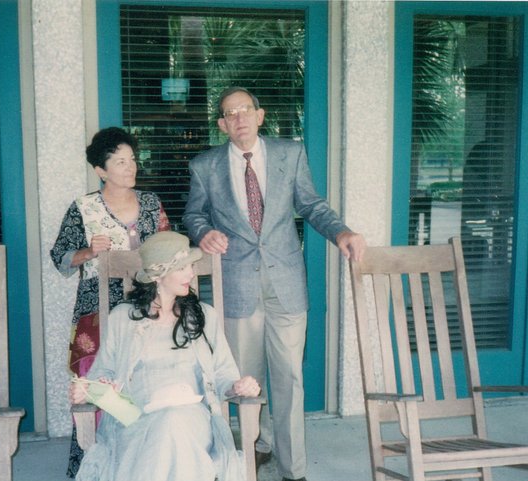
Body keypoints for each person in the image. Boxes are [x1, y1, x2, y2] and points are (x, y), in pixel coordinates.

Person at [183, 87, 366, 481]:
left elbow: (312, 205)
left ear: (260, 115)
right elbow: (194, 214)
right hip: (237, 286)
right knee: (245, 379)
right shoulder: (205, 166)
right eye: (230, 113)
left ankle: (293, 469)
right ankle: (254, 451)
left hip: (286, 283)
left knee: (289, 379)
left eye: (245, 110)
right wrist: (203, 233)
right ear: (222, 124)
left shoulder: (290, 154)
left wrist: (342, 233)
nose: (239, 118)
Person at [69, 231, 262, 481]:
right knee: (165, 433)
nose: (191, 274)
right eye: (183, 267)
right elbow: (102, 373)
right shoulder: (122, 318)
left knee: (173, 422)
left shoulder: (205, 317)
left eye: (191, 266)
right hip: (136, 420)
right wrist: (89, 390)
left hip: (191, 419)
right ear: (158, 276)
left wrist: (238, 386)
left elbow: (223, 372)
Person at [50, 126, 171, 477]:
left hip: (148, 307)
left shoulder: (151, 203)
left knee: (147, 383)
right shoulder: (83, 208)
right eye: (120, 161)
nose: (130, 167)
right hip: (96, 311)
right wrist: (89, 251)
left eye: (132, 159)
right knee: (98, 386)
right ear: (101, 170)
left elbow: (169, 250)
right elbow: (60, 257)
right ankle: (95, 468)